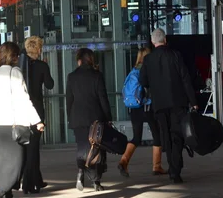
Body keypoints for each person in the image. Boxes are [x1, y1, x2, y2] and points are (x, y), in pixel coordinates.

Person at [0, 42, 44, 198]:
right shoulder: (14, 73)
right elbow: (23, 99)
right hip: (11, 126)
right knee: (17, 164)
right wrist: (37, 121)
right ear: (14, 57)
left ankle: (6, 194)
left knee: (2, 162)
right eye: (16, 55)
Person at [139, 28, 197, 184]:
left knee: (166, 136)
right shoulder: (175, 55)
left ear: (152, 42)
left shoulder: (148, 59)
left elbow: (143, 81)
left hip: (159, 105)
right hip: (177, 103)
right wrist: (194, 101)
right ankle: (175, 170)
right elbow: (185, 79)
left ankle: (173, 166)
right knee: (177, 136)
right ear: (165, 40)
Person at [66, 48, 111, 192]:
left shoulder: (71, 76)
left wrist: (70, 117)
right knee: (96, 148)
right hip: (95, 119)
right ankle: (96, 181)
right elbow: (103, 99)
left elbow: (69, 100)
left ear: (79, 60)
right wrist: (108, 118)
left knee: (82, 147)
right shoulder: (97, 76)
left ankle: (80, 172)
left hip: (77, 118)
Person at [118, 47, 166, 178]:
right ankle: (157, 166)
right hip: (147, 107)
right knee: (157, 135)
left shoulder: (133, 71)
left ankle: (124, 161)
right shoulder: (148, 70)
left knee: (136, 137)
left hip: (134, 108)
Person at [22, 36, 54, 194]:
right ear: (39, 49)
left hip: (21, 110)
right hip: (37, 110)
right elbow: (50, 85)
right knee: (34, 147)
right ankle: (31, 183)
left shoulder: (20, 65)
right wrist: (46, 69)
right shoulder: (42, 65)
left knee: (26, 147)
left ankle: (34, 180)